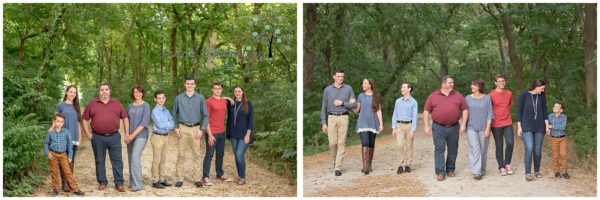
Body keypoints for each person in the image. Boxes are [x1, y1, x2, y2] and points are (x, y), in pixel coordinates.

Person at [82, 83, 129, 192]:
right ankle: (102, 182)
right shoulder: (92, 104)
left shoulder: (117, 103)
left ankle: (119, 183)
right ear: (99, 92)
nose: (104, 92)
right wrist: (88, 134)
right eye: (102, 90)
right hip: (97, 137)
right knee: (99, 160)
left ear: (109, 91)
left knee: (117, 160)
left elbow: (125, 118)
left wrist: (127, 133)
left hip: (114, 137)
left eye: (106, 89)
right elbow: (84, 119)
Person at [423, 75, 468, 181]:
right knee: (439, 149)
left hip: (454, 127)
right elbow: (426, 111)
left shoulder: (458, 96)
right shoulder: (433, 96)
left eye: (452, 83)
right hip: (438, 127)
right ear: (443, 83)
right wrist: (426, 126)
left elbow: (465, 110)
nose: (452, 84)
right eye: (450, 83)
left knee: (453, 149)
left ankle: (450, 169)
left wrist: (463, 124)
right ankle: (440, 172)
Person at [171, 76, 209, 188]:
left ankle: (197, 179)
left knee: (196, 155)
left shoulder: (200, 98)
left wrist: (202, 130)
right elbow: (173, 114)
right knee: (181, 155)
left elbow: (206, 115)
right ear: (185, 84)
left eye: (192, 84)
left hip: (195, 129)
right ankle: (179, 178)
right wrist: (175, 128)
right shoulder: (179, 98)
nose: (190, 85)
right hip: (183, 128)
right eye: (188, 83)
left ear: (195, 85)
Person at [320, 69, 357, 176]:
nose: (340, 78)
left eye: (342, 77)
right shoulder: (327, 90)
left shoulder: (348, 88)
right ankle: (335, 161)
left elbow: (354, 105)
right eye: (338, 76)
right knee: (332, 143)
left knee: (341, 142)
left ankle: (338, 167)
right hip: (331, 117)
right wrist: (323, 122)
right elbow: (324, 106)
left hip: (343, 117)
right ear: (334, 77)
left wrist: (342, 103)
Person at [516, 79, 550, 181]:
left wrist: (547, 126)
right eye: (542, 88)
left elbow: (545, 111)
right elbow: (519, 112)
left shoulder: (542, 96)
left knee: (537, 150)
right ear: (537, 86)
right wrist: (519, 127)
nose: (543, 90)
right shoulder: (524, 95)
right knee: (529, 148)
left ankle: (536, 171)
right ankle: (527, 173)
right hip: (526, 126)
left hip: (539, 126)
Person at [44, 113, 85, 197]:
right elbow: (46, 143)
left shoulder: (66, 131)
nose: (59, 123)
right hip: (53, 155)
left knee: (68, 172)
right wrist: (47, 153)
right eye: (58, 121)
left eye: (61, 122)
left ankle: (75, 188)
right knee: (54, 172)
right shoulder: (50, 132)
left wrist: (70, 156)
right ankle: (56, 189)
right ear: (54, 121)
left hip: (63, 155)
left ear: (63, 122)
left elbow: (70, 145)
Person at [202, 81, 234, 186]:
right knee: (209, 154)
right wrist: (210, 134)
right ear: (212, 89)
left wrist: (228, 98)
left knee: (220, 154)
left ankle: (219, 174)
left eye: (219, 88)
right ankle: (205, 177)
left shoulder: (224, 101)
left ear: (221, 89)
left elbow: (232, 102)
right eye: (215, 88)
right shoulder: (208, 102)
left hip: (222, 132)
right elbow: (206, 119)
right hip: (212, 133)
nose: (217, 90)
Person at [54, 85, 83, 192]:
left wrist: (80, 138)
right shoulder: (60, 106)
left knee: (71, 161)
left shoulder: (77, 107)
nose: (72, 94)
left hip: (74, 137)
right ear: (66, 92)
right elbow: (55, 121)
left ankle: (70, 183)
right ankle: (64, 183)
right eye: (71, 92)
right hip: (62, 137)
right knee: (63, 161)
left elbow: (78, 123)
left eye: (74, 93)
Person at [352, 78, 383, 175]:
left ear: (370, 85)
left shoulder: (375, 96)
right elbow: (357, 110)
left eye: (365, 83)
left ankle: (369, 165)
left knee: (371, 143)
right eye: (363, 83)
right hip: (363, 123)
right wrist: (350, 104)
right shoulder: (361, 96)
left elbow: (378, 110)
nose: (363, 84)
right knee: (365, 142)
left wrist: (381, 123)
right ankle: (365, 166)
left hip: (373, 123)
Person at [465, 79, 494, 180]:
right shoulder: (468, 98)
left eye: (473, 85)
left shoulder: (487, 98)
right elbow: (465, 112)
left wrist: (488, 128)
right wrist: (463, 124)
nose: (471, 87)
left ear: (479, 87)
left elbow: (490, 114)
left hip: (483, 128)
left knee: (483, 150)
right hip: (471, 127)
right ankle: (477, 172)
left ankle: (482, 170)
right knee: (475, 148)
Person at [226, 85, 254, 185]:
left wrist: (248, 134)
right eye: (235, 91)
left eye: (239, 91)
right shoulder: (231, 104)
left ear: (243, 92)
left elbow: (251, 121)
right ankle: (240, 176)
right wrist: (229, 98)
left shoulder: (248, 104)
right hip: (233, 134)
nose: (237, 93)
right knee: (237, 156)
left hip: (244, 135)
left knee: (239, 155)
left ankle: (242, 177)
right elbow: (219, 98)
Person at [489, 74, 515, 176]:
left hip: (507, 122)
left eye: (503, 81)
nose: (502, 83)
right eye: (499, 81)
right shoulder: (491, 95)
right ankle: (501, 166)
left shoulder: (509, 93)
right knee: (499, 145)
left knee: (510, 142)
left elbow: (510, 105)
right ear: (495, 83)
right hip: (496, 123)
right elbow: (489, 109)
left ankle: (507, 163)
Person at [126, 86, 150, 191]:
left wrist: (132, 135)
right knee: (131, 158)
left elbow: (144, 123)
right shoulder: (130, 106)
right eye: (135, 92)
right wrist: (127, 134)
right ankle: (132, 182)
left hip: (141, 135)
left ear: (142, 93)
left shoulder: (146, 105)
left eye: (140, 92)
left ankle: (138, 185)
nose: (138, 94)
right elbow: (126, 121)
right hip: (130, 135)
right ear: (133, 93)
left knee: (135, 157)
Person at [391, 82, 418, 174]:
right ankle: (400, 165)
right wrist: (394, 127)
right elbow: (395, 114)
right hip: (399, 126)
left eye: (403, 87)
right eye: (401, 87)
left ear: (409, 89)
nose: (401, 89)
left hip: (409, 126)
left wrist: (413, 130)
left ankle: (408, 165)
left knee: (409, 146)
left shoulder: (414, 102)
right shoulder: (398, 101)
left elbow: (414, 117)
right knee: (399, 145)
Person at [150, 90, 175, 189]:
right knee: (157, 159)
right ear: (155, 99)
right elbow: (159, 125)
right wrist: (167, 125)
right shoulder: (154, 111)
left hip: (165, 137)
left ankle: (162, 179)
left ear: (165, 98)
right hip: (157, 137)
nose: (161, 100)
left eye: (162, 98)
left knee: (164, 159)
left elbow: (172, 124)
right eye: (159, 98)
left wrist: (166, 126)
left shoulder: (166, 110)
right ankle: (155, 181)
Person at [548, 102, 569, 179]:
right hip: (553, 138)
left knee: (563, 154)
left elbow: (562, 127)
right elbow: (546, 125)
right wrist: (547, 128)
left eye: (557, 107)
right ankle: (556, 172)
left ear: (561, 110)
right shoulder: (550, 116)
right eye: (554, 106)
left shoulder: (564, 117)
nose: (554, 107)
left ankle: (564, 172)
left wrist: (551, 126)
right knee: (555, 155)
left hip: (562, 138)